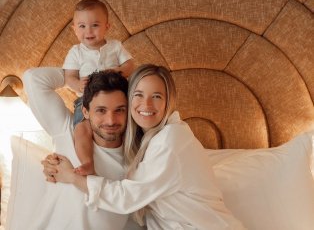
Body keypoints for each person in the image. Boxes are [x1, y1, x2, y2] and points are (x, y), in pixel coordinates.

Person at [48, 64, 245, 229]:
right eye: (139, 95)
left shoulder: (171, 142)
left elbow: (126, 197)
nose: (146, 104)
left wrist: (72, 177)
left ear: (169, 101)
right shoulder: (147, 139)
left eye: (157, 96)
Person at [22, 67, 143, 229]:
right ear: (85, 112)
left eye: (119, 110)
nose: (110, 120)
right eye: (101, 110)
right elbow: (33, 78)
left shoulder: (138, 158)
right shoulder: (66, 132)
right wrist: (71, 78)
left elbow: (134, 217)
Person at [63, 0, 134, 175]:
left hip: (119, 97)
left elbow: (130, 65)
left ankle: (134, 158)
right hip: (85, 99)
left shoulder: (115, 47)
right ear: (74, 28)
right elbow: (69, 77)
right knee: (81, 129)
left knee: (131, 125)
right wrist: (78, 84)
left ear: (107, 27)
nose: (88, 31)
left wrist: (119, 70)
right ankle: (87, 162)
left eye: (95, 25)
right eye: (82, 26)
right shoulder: (76, 52)